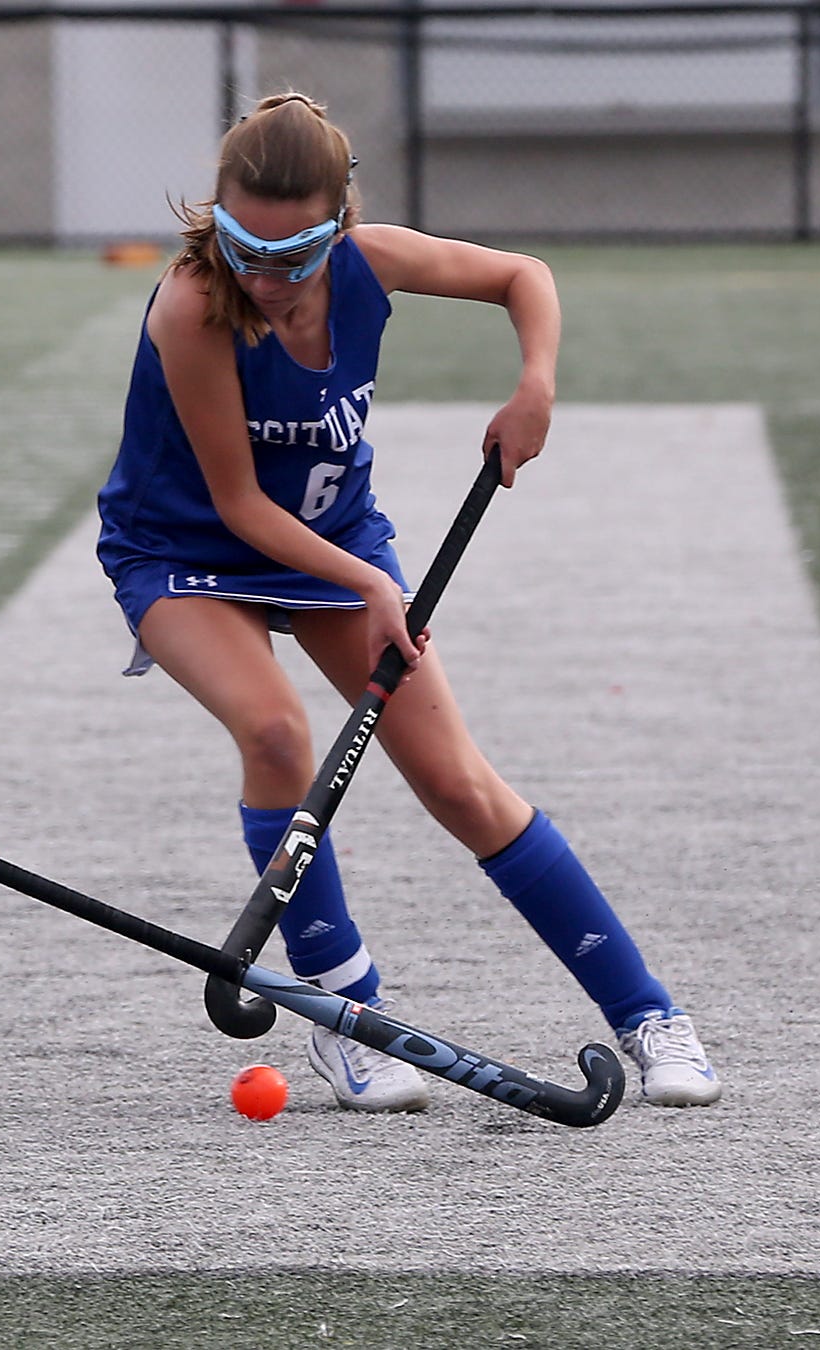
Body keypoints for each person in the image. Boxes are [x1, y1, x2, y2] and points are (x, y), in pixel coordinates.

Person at [95, 93, 720, 1111]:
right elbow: (238, 504)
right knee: (271, 732)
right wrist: (374, 583)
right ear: (216, 219)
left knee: (459, 786)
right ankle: (347, 1017)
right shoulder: (190, 307)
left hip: (336, 547)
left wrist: (535, 383)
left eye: (293, 255)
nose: (267, 277)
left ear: (337, 230)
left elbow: (525, 276)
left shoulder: (370, 263)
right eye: (245, 246)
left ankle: (645, 1013)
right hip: (182, 554)